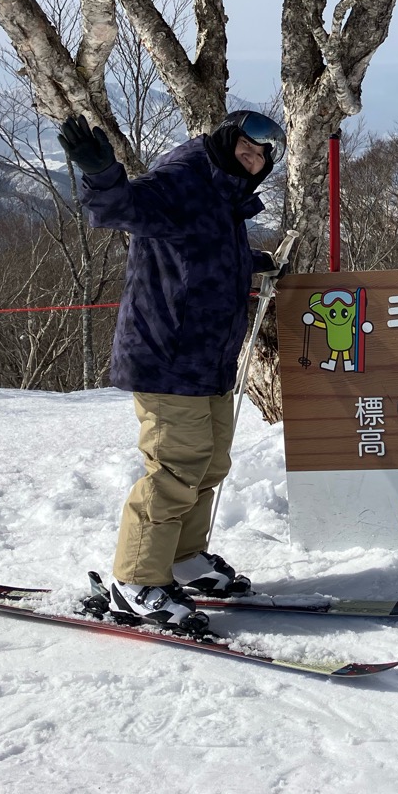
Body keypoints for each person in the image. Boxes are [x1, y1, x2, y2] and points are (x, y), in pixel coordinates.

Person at [58, 109, 286, 633]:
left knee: (209, 463)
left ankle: (183, 558)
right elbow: (123, 208)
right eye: (246, 148)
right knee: (176, 468)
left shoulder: (223, 192)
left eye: (262, 156)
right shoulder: (184, 176)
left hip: (208, 357)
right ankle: (135, 580)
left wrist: (252, 261)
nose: (253, 159)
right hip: (166, 354)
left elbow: (196, 247)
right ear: (226, 139)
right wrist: (100, 171)